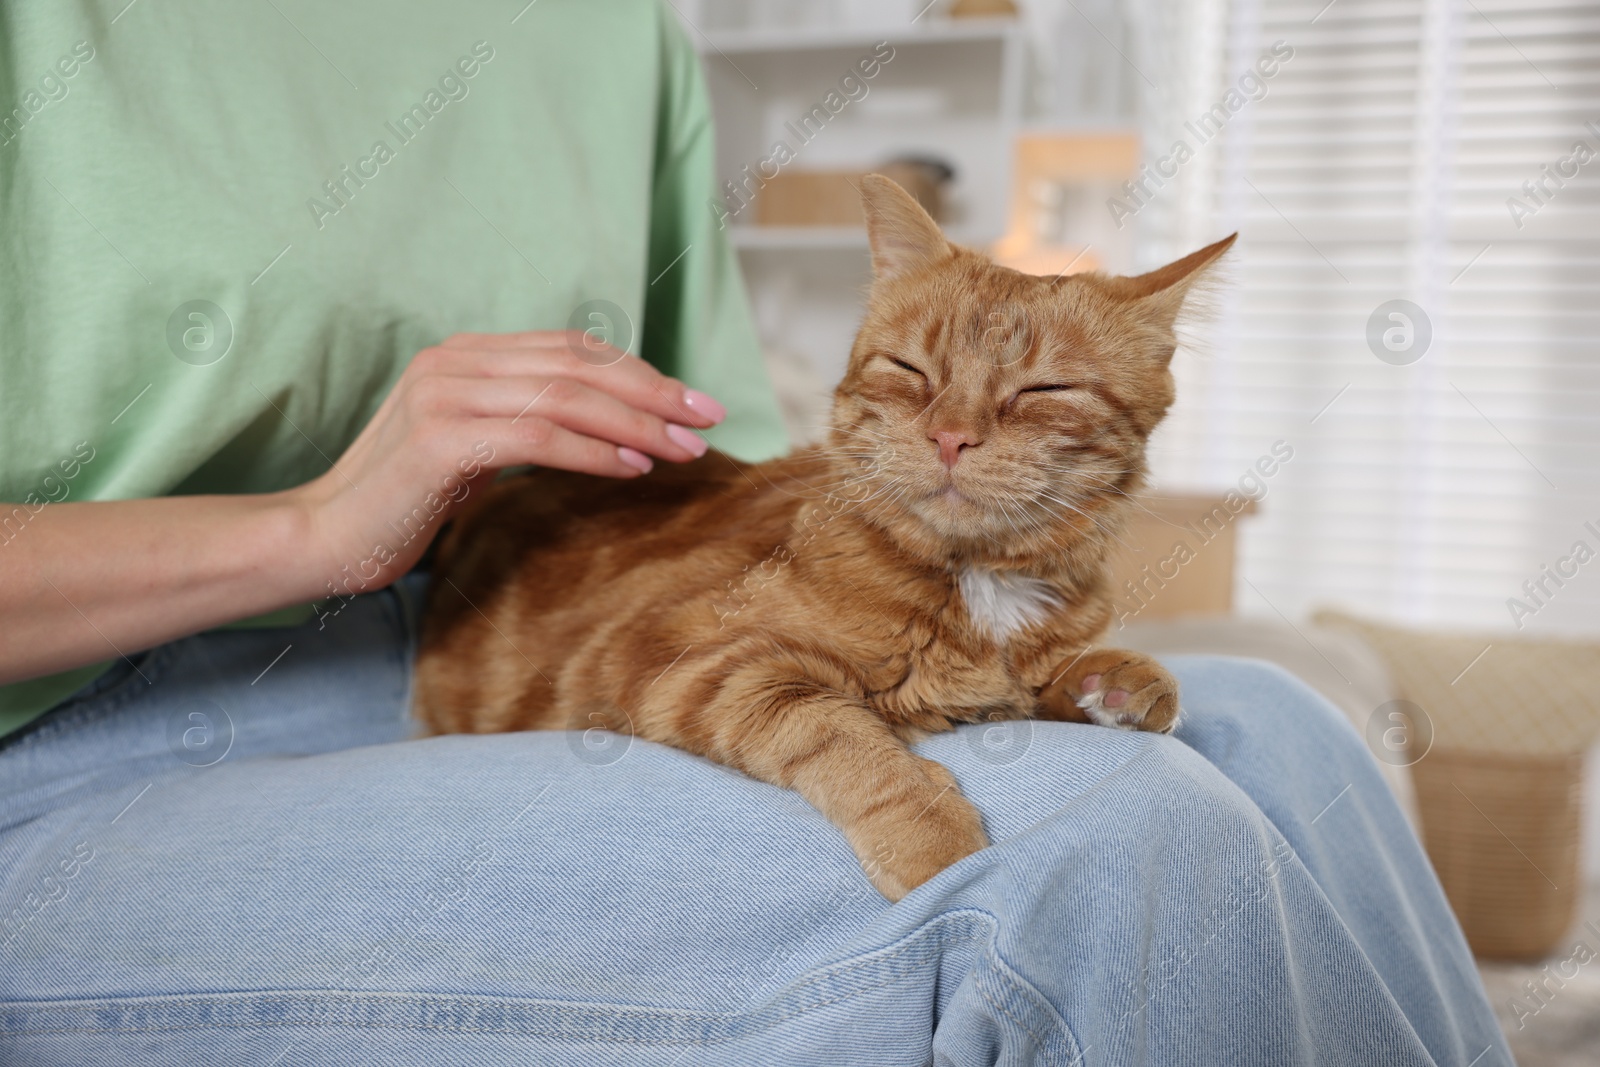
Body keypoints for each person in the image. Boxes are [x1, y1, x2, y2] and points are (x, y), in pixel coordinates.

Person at [0, 2, 1510, 1064]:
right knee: (1122, 852)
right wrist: (317, 525)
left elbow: (692, 463)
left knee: (1280, 731)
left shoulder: (602, 27)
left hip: (509, 616)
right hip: (90, 733)